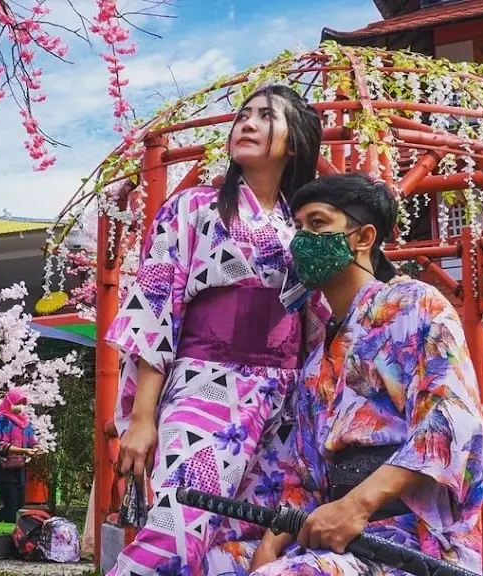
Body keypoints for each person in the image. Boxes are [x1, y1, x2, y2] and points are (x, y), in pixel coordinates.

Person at [104, 84, 326, 576]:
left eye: (265, 116)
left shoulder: (305, 225)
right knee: (176, 531)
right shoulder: (192, 208)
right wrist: (144, 418)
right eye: (243, 115)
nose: (245, 123)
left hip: (285, 399)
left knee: (247, 541)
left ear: (294, 143)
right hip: (206, 380)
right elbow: (155, 309)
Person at [249, 173, 483, 576]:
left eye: (317, 224)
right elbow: (304, 472)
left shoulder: (417, 303)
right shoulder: (317, 351)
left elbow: (450, 422)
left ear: (363, 237)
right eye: (297, 228)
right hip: (335, 533)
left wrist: (356, 505)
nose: (301, 241)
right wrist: (269, 544)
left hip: (411, 537)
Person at [0, 387, 41, 523]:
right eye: (17, 403)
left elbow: (31, 440)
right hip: (2, 464)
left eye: (23, 403)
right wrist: (24, 451)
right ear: (9, 402)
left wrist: (37, 448)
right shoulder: (1, 420)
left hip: (19, 465)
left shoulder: (25, 423)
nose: (20, 407)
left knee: (19, 503)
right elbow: (1, 445)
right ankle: (7, 531)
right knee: (10, 504)